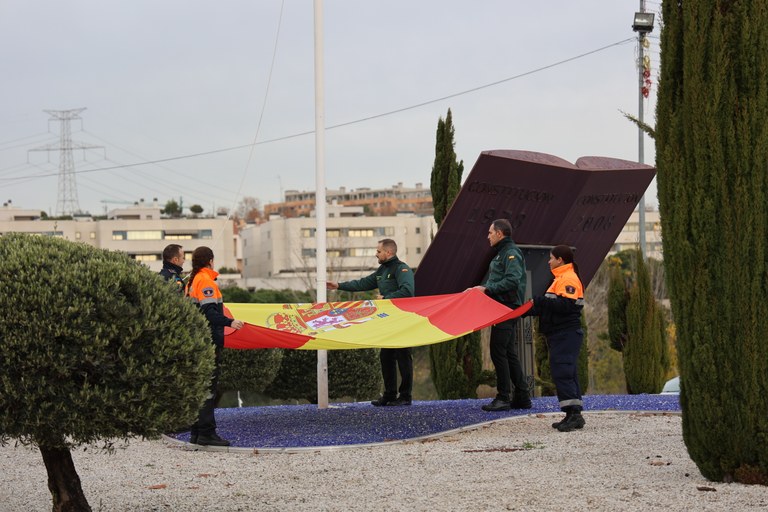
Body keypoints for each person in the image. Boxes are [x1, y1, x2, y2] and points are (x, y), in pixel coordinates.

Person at [327, 238, 414, 407]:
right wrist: (338, 285)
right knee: (386, 357)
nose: (376, 254)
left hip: (402, 320)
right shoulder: (382, 270)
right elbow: (363, 283)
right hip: (388, 321)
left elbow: (408, 291)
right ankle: (389, 395)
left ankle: (405, 396)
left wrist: (386, 298)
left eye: (378, 251)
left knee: (404, 357)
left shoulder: (402, 269)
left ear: (388, 252)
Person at [185, 246, 244, 446]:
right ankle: (206, 433)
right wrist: (230, 322)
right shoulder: (205, 281)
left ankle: (197, 432)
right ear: (210, 260)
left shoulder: (192, 281)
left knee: (200, 387)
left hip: (197, 339)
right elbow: (209, 312)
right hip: (208, 341)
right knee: (208, 388)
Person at [471, 219, 532, 412]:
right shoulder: (502, 254)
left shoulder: (511, 253)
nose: (487, 236)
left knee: (498, 351)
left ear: (499, 233)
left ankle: (503, 397)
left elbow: (512, 281)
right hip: (501, 308)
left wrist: (487, 289)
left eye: (490, 232)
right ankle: (522, 397)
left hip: (506, 308)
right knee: (508, 353)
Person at [527, 245, 586, 432]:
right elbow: (550, 306)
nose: (549, 261)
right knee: (566, 372)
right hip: (561, 334)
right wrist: (526, 309)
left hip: (566, 334)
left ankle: (574, 415)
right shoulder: (559, 279)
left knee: (563, 372)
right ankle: (572, 414)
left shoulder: (568, 278)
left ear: (560, 260)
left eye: (551, 258)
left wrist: (540, 301)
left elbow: (566, 305)